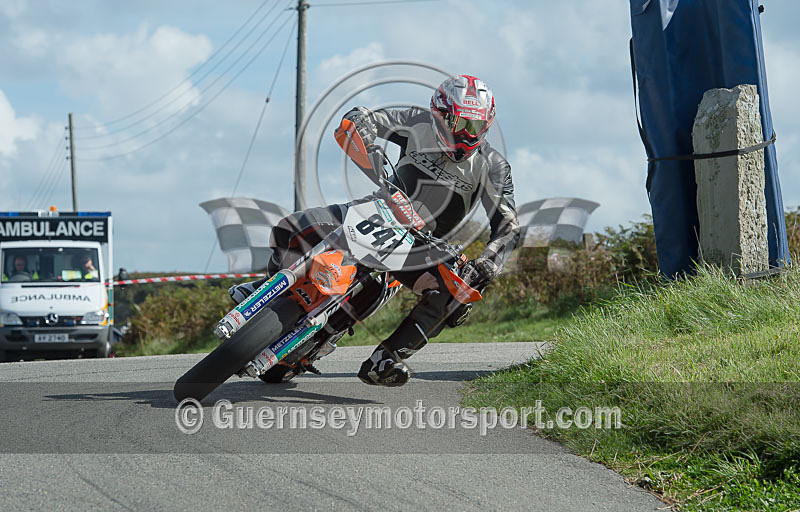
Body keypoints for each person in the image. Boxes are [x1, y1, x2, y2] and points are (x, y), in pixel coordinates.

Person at [229, 75, 520, 386]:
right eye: (457, 123)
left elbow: (508, 226)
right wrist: (362, 128)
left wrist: (488, 261)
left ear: (487, 125)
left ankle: (386, 359)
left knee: (456, 298)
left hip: (422, 246)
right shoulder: (416, 121)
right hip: (375, 211)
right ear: (438, 114)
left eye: (473, 127)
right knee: (293, 226)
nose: (463, 134)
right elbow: (364, 116)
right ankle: (268, 285)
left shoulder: (494, 166)